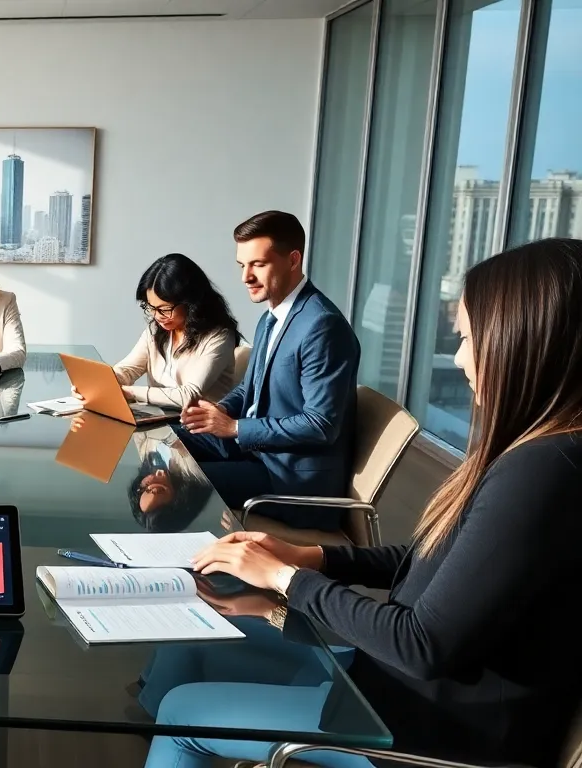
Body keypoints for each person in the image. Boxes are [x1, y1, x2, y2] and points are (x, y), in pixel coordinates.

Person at [150, 238, 582, 768]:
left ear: (525, 344)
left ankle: (157, 736)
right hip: (389, 679)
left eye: (469, 338)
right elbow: (434, 560)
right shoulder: (536, 455)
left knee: (181, 711)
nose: (459, 356)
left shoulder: (545, 471)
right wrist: (309, 557)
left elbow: (421, 645)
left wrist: (286, 582)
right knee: (189, 631)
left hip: (426, 729)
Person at [177, 211, 359, 531]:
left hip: (290, 480)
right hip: (258, 453)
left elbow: (321, 425)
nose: (245, 276)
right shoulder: (271, 317)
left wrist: (235, 428)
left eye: (258, 264)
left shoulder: (322, 326)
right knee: (164, 444)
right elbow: (250, 388)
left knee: (182, 479)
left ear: (293, 260)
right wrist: (217, 411)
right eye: (241, 265)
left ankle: (183, 569)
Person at [108, 253, 241, 409]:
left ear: (191, 303)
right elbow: (128, 369)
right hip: (161, 418)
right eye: (151, 307)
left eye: (165, 309)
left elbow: (189, 395)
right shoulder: (155, 330)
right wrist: (102, 385)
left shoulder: (219, 336)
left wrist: (130, 393)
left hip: (200, 426)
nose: (157, 316)